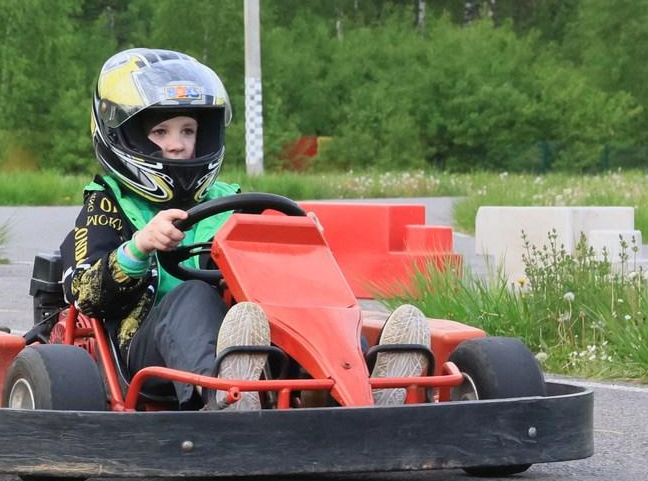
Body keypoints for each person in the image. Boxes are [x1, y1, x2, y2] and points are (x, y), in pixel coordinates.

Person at [62, 48, 429, 409]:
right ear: (126, 136)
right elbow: (85, 295)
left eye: (188, 131)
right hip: (150, 345)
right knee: (193, 295)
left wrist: (298, 240)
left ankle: (362, 386)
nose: (177, 146)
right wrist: (139, 247)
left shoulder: (231, 198)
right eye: (161, 131)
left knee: (299, 285)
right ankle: (225, 397)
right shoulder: (107, 205)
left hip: (252, 334)